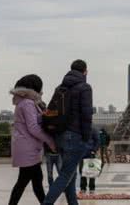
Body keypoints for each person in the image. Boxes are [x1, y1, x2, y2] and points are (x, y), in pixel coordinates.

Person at [43, 59, 94, 205]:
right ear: (85, 71)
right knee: (66, 175)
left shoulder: (60, 88)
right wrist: (86, 138)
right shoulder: (85, 87)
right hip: (75, 136)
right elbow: (86, 114)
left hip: (60, 136)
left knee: (69, 175)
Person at [8, 75, 57, 205]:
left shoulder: (23, 102)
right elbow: (33, 128)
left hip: (26, 146)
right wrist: (50, 141)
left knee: (35, 180)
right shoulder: (28, 103)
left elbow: (33, 122)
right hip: (28, 148)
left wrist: (44, 115)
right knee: (25, 181)